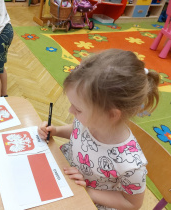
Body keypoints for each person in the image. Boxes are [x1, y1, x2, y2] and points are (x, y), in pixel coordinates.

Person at [38, 49, 160, 210]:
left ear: (111, 115)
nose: (70, 111)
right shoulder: (91, 119)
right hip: (67, 172)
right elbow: (76, 131)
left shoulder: (130, 164)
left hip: (90, 200)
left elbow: (132, 203)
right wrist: (56, 131)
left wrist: (87, 191)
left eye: (78, 109)